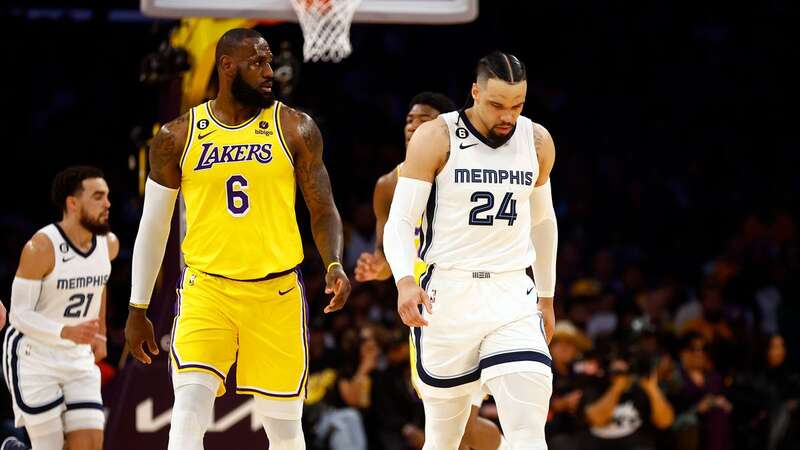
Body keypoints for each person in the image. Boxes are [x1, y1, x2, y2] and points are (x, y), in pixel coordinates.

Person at [124, 28, 351, 450]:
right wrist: (138, 306)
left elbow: (322, 208)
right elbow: (153, 226)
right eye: (258, 63)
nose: (270, 72)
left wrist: (334, 262)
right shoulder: (176, 136)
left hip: (276, 294)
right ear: (227, 66)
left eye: (268, 62)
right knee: (188, 412)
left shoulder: (295, 127)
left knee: (284, 432)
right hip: (206, 291)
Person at [383, 51, 558, 450]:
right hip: (448, 295)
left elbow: (544, 223)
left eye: (517, 105)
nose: (507, 116)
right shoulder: (437, 137)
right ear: (475, 92)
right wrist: (405, 282)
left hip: (511, 297)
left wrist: (546, 295)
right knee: (445, 439)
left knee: (529, 432)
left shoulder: (537, 140)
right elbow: (400, 222)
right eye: (497, 104)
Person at [356, 92, 505, 450]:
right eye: (409, 119)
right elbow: (388, 257)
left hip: (474, 297)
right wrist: (376, 267)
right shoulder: (388, 186)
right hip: (428, 311)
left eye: (423, 120)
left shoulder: (469, 173)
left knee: (458, 425)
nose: (412, 126)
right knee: (454, 426)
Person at [1, 166, 118, 450]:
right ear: (72, 203)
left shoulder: (109, 244)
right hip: (33, 355)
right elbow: (17, 315)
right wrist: (66, 331)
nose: (107, 204)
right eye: (98, 197)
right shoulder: (41, 247)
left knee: (89, 444)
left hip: (75, 354)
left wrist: (100, 332)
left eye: (108, 196)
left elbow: (99, 281)